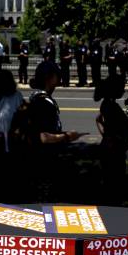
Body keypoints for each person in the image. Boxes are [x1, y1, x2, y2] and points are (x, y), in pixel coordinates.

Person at [27, 61, 83, 201]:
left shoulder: (35, 98)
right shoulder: (44, 103)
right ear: (49, 78)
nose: (58, 81)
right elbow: (43, 137)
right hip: (45, 164)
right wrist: (67, 136)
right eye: (57, 76)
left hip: (37, 162)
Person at [95, 74, 128, 204]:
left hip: (109, 146)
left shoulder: (106, 104)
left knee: (108, 181)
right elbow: (124, 126)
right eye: (121, 87)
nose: (123, 90)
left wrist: (105, 135)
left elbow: (98, 120)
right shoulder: (112, 107)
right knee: (114, 182)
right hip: (114, 150)